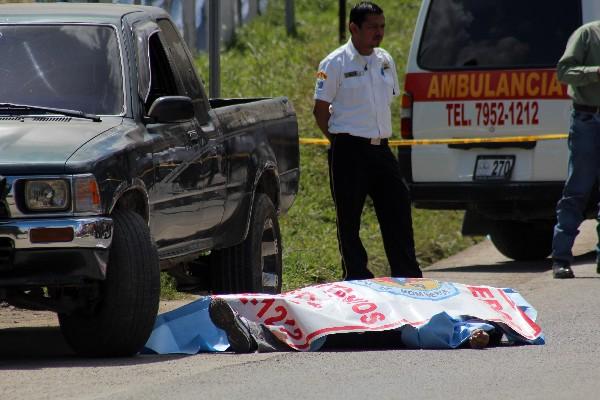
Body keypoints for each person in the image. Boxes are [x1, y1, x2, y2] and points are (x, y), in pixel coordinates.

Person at [312, 2, 422, 281]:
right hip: (349, 149)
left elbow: (386, 102)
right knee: (349, 219)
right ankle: (357, 276)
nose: (379, 32)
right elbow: (320, 111)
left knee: (398, 209)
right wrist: (340, 142)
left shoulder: (384, 59)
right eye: (372, 27)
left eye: (382, 26)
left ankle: (408, 275)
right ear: (354, 28)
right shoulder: (334, 63)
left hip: (381, 148)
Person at [552, 20, 600, 279]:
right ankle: (561, 258)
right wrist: (595, 72)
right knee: (577, 190)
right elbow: (563, 71)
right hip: (587, 120)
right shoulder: (587, 34)